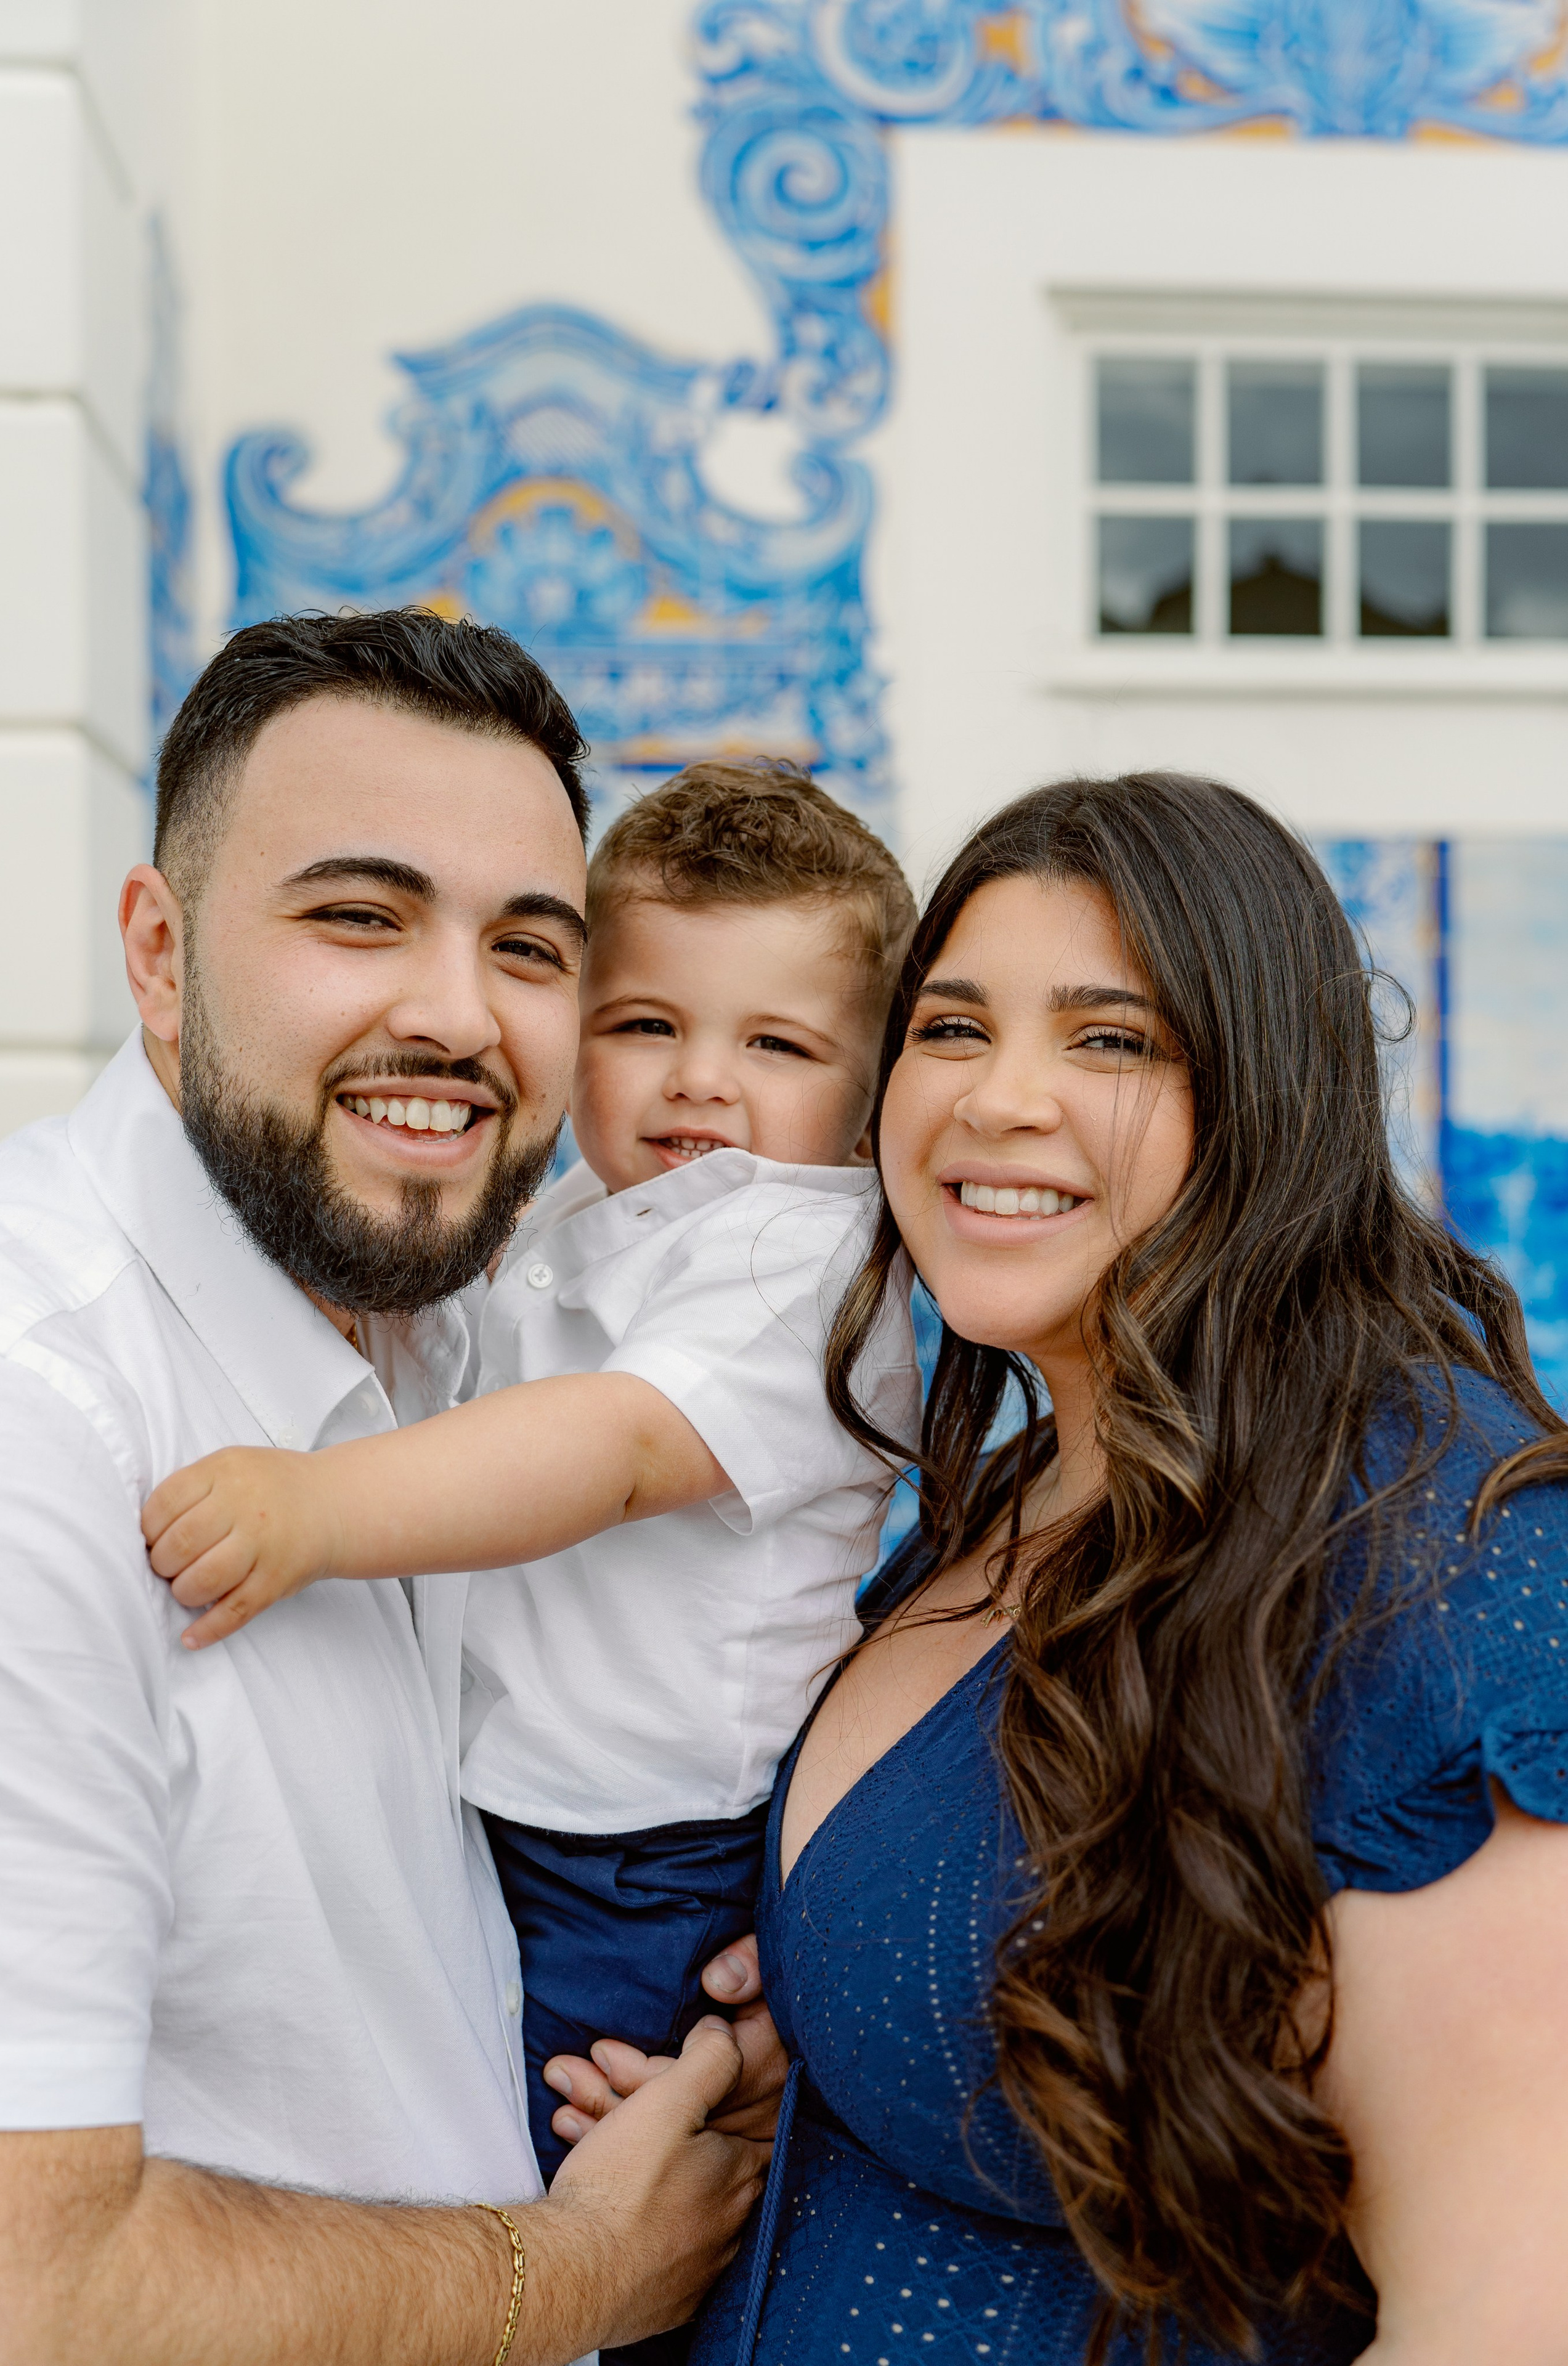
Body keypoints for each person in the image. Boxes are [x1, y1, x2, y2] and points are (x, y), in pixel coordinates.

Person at [640, 769, 1568, 2365]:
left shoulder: (1437, 1557)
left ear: (1267, 1093)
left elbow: (1504, 2311)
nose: (998, 1100)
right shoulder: (1012, 1488)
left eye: (1110, 1038)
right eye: (950, 1027)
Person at [0, 609, 777, 2366]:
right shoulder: (32, 1427)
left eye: (528, 946)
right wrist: (579, 2269)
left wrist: (739, 1986)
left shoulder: (499, 1332)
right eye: (359, 915)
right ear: (159, 951)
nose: (455, 1016)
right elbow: (23, 2292)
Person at [139, 760, 922, 2192]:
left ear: (867, 1109)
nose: (700, 1077)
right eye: (644, 1025)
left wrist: (317, 1510)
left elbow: (615, 1449)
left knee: (555, 2164)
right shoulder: (591, 1205)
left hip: (648, 1852)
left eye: (777, 1047)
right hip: (523, 1803)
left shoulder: (799, 1258)